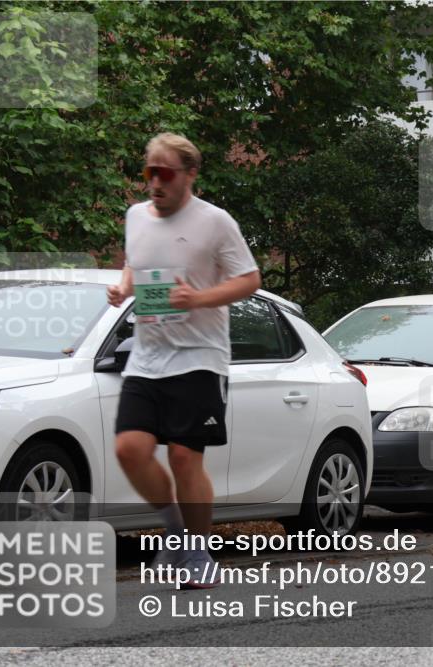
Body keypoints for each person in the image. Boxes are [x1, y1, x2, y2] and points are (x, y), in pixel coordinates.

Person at [107, 132, 261, 587]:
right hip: (147, 355)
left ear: (189, 175)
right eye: (149, 171)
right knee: (129, 449)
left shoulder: (215, 222)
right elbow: (137, 262)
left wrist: (199, 298)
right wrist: (124, 286)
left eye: (165, 172)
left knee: (183, 457)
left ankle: (198, 554)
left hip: (199, 357)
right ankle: (176, 533)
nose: (155, 181)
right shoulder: (136, 216)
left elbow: (249, 279)